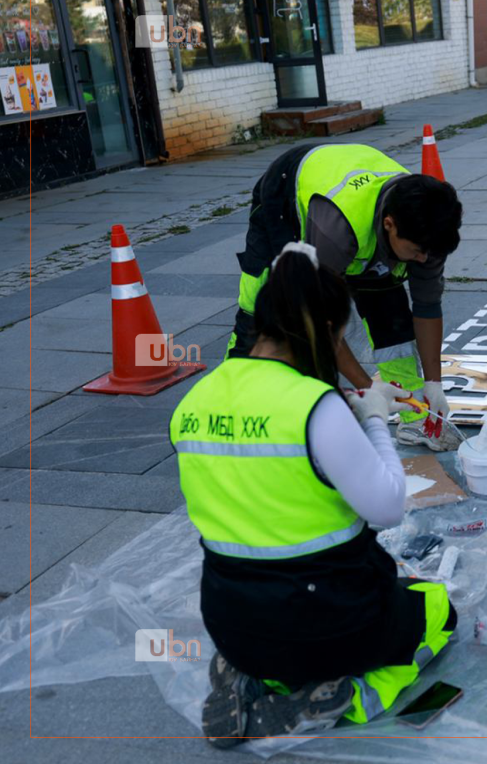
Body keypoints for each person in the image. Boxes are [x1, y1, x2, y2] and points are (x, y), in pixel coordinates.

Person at [175, 244, 457, 747]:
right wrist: (373, 419)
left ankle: (252, 675)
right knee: (436, 610)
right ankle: (343, 696)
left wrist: (349, 406)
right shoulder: (315, 407)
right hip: (328, 619)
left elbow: (263, 453)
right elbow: (387, 506)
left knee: (277, 636)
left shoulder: (194, 400)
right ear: (325, 330)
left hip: (231, 620)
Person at [229, 143, 463, 451]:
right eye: (417, 251)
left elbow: (428, 305)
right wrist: (369, 393)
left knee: (389, 307)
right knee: (264, 304)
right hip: (287, 193)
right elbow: (318, 321)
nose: (423, 260)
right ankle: (233, 402)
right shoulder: (335, 232)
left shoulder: (428, 231)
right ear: (389, 225)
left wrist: (434, 384)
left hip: (359, 209)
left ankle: (416, 415)